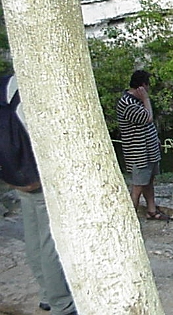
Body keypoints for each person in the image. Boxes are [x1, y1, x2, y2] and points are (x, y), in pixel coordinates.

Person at [0, 74, 78, 315]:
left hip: (15, 175)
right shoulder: (25, 87)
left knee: (33, 234)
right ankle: (62, 304)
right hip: (39, 176)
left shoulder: (3, 87)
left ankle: (46, 293)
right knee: (51, 240)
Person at [115, 70, 168, 220]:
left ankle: (152, 210)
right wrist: (146, 99)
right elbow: (148, 117)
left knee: (149, 181)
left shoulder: (136, 101)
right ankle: (131, 217)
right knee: (138, 186)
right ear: (142, 86)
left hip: (149, 150)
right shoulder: (128, 103)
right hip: (139, 154)